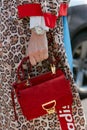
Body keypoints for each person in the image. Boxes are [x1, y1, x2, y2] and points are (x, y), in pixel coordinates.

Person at [0, 0, 86, 129]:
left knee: (44, 112)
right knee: (13, 112)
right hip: (11, 29)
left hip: (26, 30)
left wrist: (39, 30)